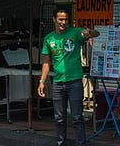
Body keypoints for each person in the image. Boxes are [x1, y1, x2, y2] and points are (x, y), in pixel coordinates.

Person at [39, 10, 100, 146]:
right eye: (60, 19)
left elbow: (96, 34)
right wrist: (42, 81)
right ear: (54, 19)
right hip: (58, 83)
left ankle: (80, 143)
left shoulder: (75, 33)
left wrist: (88, 32)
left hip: (75, 82)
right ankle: (61, 143)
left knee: (77, 117)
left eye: (65, 19)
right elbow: (46, 63)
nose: (63, 22)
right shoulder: (49, 38)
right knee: (59, 118)